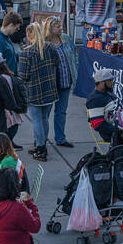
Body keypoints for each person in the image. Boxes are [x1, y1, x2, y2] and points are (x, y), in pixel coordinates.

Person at [18, 23, 59, 162]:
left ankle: (41, 148)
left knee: (37, 121)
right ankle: (41, 145)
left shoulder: (26, 52)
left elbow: (22, 75)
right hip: (50, 90)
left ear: (29, 35)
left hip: (34, 91)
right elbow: (56, 63)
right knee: (44, 120)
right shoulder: (51, 47)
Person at [43, 16, 77, 148]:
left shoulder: (66, 39)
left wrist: (76, 75)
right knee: (45, 113)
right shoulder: (44, 43)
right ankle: (41, 139)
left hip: (65, 82)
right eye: (58, 27)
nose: (61, 28)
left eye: (61, 26)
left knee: (61, 112)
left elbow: (74, 56)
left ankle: (60, 138)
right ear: (50, 29)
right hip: (51, 84)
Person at [0, 53, 26, 149]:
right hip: (9, 107)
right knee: (13, 126)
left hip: (4, 107)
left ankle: (8, 143)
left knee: (10, 126)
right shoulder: (7, 77)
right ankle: (8, 143)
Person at [86, 68, 118, 142]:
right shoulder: (95, 99)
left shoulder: (108, 92)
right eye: (109, 80)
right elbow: (97, 124)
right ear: (101, 82)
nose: (112, 82)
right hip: (114, 134)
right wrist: (119, 130)